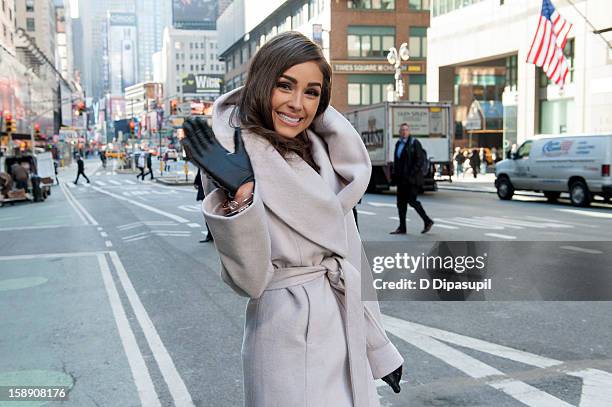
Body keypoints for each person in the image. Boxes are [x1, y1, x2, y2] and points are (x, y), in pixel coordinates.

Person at [181, 32, 403, 407]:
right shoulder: (233, 158)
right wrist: (243, 195)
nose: (297, 104)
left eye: (311, 92)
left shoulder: (324, 156)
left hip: (342, 332)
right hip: (285, 338)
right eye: (285, 86)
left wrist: (378, 347)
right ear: (263, 83)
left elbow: (351, 261)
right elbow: (250, 280)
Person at [390, 123, 434, 235]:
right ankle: (402, 227)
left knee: (412, 201)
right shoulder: (398, 143)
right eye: (402, 130)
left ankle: (427, 221)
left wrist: (411, 174)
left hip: (412, 180)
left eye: (406, 130)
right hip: (401, 180)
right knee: (401, 204)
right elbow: (397, 162)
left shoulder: (414, 143)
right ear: (399, 132)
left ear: (409, 131)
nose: (404, 132)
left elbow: (419, 161)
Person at [194, 169, 214, 243]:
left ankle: (211, 235)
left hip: (211, 191)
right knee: (209, 215)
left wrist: (196, 183)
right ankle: (211, 235)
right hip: (209, 191)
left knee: (209, 215)